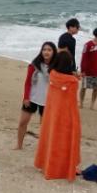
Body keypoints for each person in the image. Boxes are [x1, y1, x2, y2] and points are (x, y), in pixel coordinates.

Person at [34, 50, 81, 181]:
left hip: (52, 114)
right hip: (67, 116)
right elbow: (72, 101)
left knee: (51, 139)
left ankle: (46, 166)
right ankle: (61, 170)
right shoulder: (72, 82)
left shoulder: (52, 75)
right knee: (65, 143)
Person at [15, 42, 57, 150]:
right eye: (44, 49)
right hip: (32, 99)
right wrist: (26, 97)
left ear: (53, 52)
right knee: (23, 122)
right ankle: (19, 145)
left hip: (47, 101)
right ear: (41, 51)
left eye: (49, 50)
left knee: (44, 127)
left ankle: (43, 149)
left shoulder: (56, 67)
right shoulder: (34, 65)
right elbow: (28, 82)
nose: (46, 52)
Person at [79, 26, 97, 109]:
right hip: (87, 71)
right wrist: (83, 70)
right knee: (84, 87)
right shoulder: (87, 45)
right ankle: (81, 103)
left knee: (96, 88)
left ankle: (92, 105)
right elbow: (84, 58)